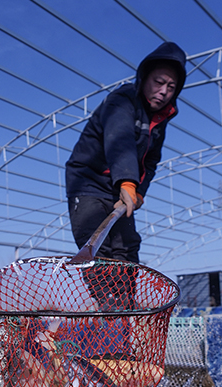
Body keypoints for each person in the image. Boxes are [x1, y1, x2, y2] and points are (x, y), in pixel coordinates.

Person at [66, 41, 187, 265]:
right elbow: (119, 140)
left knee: (127, 245)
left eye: (171, 87)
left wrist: (139, 191)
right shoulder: (122, 100)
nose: (163, 92)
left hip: (119, 187)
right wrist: (128, 181)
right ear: (144, 78)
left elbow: (151, 161)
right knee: (96, 244)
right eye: (158, 82)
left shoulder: (159, 120)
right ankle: (107, 299)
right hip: (89, 182)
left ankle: (127, 299)